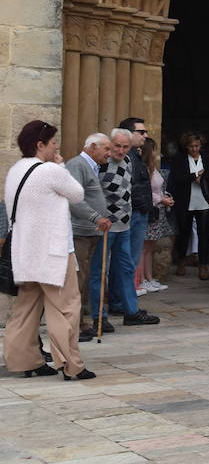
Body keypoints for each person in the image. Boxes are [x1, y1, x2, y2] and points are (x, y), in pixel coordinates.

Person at [4, 120, 94, 379]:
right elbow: (77, 193)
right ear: (40, 144)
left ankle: (25, 361)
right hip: (53, 251)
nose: (57, 147)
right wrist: (61, 165)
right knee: (65, 307)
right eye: (53, 142)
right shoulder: (50, 171)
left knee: (26, 309)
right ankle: (70, 366)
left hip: (24, 251)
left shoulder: (16, 170)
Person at [93, 128, 159, 327]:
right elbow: (93, 195)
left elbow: (127, 192)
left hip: (124, 225)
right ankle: (99, 317)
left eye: (125, 147)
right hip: (105, 226)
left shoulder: (129, 161)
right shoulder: (100, 165)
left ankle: (131, 311)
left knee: (127, 268)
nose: (120, 151)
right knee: (99, 271)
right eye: (117, 146)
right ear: (109, 144)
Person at [67, 133, 112, 339]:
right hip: (80, 232)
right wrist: (96, 217)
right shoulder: (77, 165)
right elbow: (74, 199)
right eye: (107, 149)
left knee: (84, 279)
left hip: (90, 232)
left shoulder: (91, 166)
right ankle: (73, 324)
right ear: (93, 146)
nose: (109, 154)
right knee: (78, 279)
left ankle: (81, 321)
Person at [169, 131, 209, 280]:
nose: (195, 149)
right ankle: (181, 261)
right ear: (186, 147)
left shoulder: (208, 159)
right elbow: (177, 178)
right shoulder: (180, 159)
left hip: (204, 200)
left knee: (205, 234)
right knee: (184, 232)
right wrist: (195, 176)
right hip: (185, 201)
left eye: (197, 146)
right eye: (191, 146)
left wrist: (205, 182)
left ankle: (203, 265)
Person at [117, 118, 152, 303]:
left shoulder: (135, 155)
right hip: (133, 214)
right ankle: (126, 302)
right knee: (128, 260)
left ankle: (124, 300)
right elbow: (132, 187)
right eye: (141, 131)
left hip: (139, 213)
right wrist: (143, 207)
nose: (145, 135)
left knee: (131, 260)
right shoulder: (126, 156)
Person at [140, 138, 174, 294]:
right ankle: (141, 280)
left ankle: (149, 277)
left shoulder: (154, 169)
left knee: (150, 247)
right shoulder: (145, 169)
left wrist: (165, 196)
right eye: (154, 150)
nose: (157, 153)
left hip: (159, 210)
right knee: (144, 248)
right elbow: (145, 192)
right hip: (151, 211)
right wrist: (161, 199)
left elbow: (158, 189)